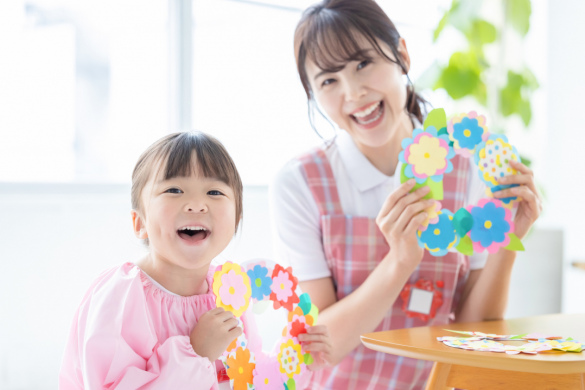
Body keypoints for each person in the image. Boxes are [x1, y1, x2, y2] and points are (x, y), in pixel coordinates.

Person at [269, 0, 542, 389]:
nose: (354, 92)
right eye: (329, 80)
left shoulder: (467, 167)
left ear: (402, 54)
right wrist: (399, 261)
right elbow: (315, 345)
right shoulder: (300, 183)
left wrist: (508, 239)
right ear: (313, 94)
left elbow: (472, 334)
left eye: (363, 63)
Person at [59, 132, 331, 389]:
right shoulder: (121, 297)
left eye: (214, 192)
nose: (197, 205)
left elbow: (248, 377)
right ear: (139, 222)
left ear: (236, 220)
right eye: (174, 190)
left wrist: (300, 362)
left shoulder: (230, 292)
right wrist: (195, 354)